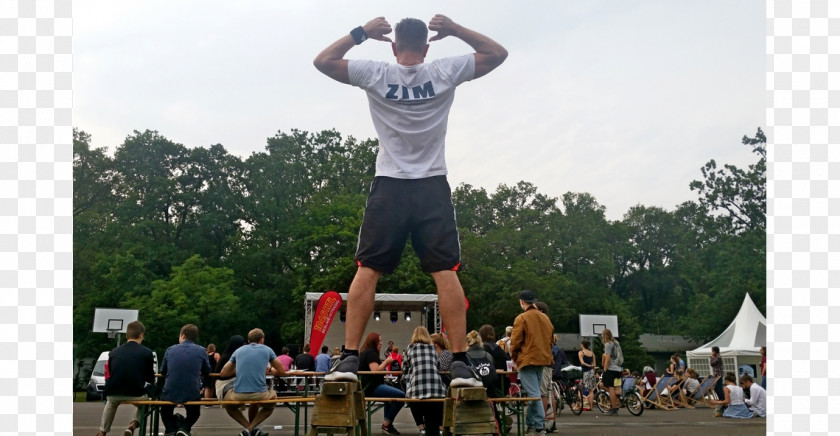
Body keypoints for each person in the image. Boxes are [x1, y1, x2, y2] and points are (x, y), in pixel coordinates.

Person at [314, 14, 507, 387]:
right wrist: (457, 30)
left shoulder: (375, 72)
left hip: (389, 184)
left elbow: (322, 61)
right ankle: (461, 364)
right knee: (445, 271)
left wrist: (361, 34)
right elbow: (496, 54)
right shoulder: (445, 69)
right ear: (428, 46)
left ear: (392, 45)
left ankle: (351, 357)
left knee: (368, 269)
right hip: (431, 185)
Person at [218, 328, 287, 436]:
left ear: (249, 340)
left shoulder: (238, 351)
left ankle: (247, 428)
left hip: (238, 393)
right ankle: (251, 428)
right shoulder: (267, 350)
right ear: (262, 340)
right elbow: (282, 371)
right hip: (260, 394)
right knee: (271, 402)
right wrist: (272, 370)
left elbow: (223, 373)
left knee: (228, 405)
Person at [96, 321, 155, 436]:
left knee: (111, 403)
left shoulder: (113, 352)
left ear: (127, 335)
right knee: (145, 404)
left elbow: (112, 372)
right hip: (135, 392)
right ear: (141, 335)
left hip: (113, 391)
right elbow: (150, 378)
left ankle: (102, 431)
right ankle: (132, 425)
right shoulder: (147, 352)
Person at [510, 290, 554, 433]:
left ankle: (540, 426)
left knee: (534, 395)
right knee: (534, 393)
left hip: (527, 360)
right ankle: (530, 423)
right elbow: (551, 340)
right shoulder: (545, 318)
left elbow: (515, 341)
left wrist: (514, 357)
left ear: (522, 301)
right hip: (543, 359)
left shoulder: (521, 318)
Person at [158, 324, 212, 436]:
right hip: (191, 391)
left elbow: (162, 371)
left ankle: (171, 430)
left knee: (165, 411)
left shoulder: (170, 350)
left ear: (182, 336)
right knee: (194, 413)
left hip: (170, 392)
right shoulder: (202, 351)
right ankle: (184, 428)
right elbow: (207, 371)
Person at [357, 332, 405, 435]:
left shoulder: (365, 352)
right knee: (401, 396)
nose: (381, 343)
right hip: (371, 387)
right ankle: (386, 424)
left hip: (368, 387)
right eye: (379, 341)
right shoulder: (371, 353)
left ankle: (388, 424)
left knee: (390, 398)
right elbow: (375, 371)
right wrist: (386, 362)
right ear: (374, 342)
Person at [403, 327, 446, 436]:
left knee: (411, 398)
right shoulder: (432, 348)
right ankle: (436, 429)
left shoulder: (410, 348)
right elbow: (438, 366)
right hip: (437, 390)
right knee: (432, 418)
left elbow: (404, 369)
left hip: (418, 390)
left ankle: (421, 427)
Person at [214, 336, 259, 419]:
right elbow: (234, 372)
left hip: (232, 384)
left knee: (255, 398)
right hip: (226, 386)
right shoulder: (230, 358)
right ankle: (251, 427)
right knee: (255, 397)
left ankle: (250, 427)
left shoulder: (227, 356)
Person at [600, 328, 623, 416]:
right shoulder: (616, 343)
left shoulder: (608, 345)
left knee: (610, 388)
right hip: (618, 368)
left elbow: (608, 358)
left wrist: (605, 369)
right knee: (615, 387)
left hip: (611, 369)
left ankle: (614, 409)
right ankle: (618, 396)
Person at [578, 340, 597, 411]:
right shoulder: (592, 353)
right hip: (591, 372)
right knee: (591, 390)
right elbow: (594, 365)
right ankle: (591, 406)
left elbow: (582, 363)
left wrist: (588, 365)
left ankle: (581, 405)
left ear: (582, 345)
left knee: (581, 388)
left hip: (584, 372)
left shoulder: (581, 353)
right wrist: (591, 366)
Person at [709, 346, 724, 417]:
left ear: (715, 351)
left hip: (719, 375)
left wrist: (711, 358)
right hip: (716, 375)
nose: (712, 353)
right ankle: (721, 399)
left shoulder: (718, 357)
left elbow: (712, 364)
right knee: (716, 388)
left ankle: (722, 400)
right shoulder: (716, 357)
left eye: (712, 351)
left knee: (718, 388)